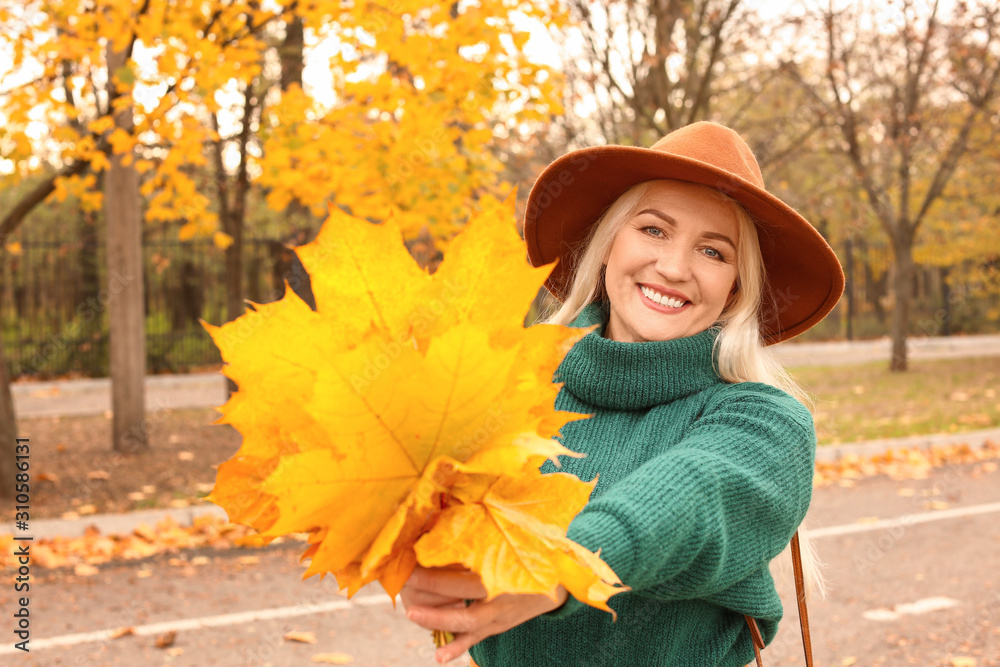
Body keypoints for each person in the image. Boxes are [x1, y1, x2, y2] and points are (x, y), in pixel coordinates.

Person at [400, 121, 845, 666]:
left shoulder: (765, 422)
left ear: (736, 288)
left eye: (713, 252)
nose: (675, 267)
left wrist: (561, 569)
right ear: (608, 242)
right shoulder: (506, 385)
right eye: (654, 230)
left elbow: (696, 491)